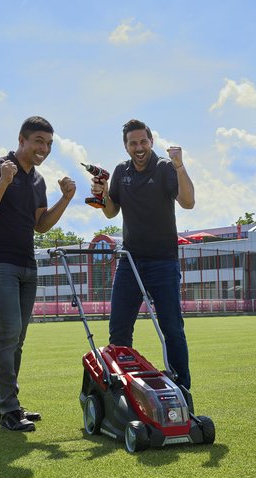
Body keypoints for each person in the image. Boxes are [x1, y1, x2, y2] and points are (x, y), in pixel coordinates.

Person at [0, 116, 76, 432]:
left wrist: (67, 198)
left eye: (48, 143)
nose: (44, 148)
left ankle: (6, 405)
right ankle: (8, 409)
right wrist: (3, 181)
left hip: (27, 265)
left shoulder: (38, 181)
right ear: (22, 140)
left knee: (16, 340)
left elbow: (40, 225)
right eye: (38, 141)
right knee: (7, 334)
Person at [91, 119, 196, 389]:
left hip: (163, 261)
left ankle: (182, 388)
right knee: (119, 330)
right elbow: (111, 211)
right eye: (133, 143)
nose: (139, 147)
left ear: (151, 142)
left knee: (172, 329)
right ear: (126, 146)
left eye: (143, 141)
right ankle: (122, 388)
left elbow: (188, 202)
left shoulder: (164, 167)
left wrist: (180, 166)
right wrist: (102, 195)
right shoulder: (120, 171)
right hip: (130, 262)